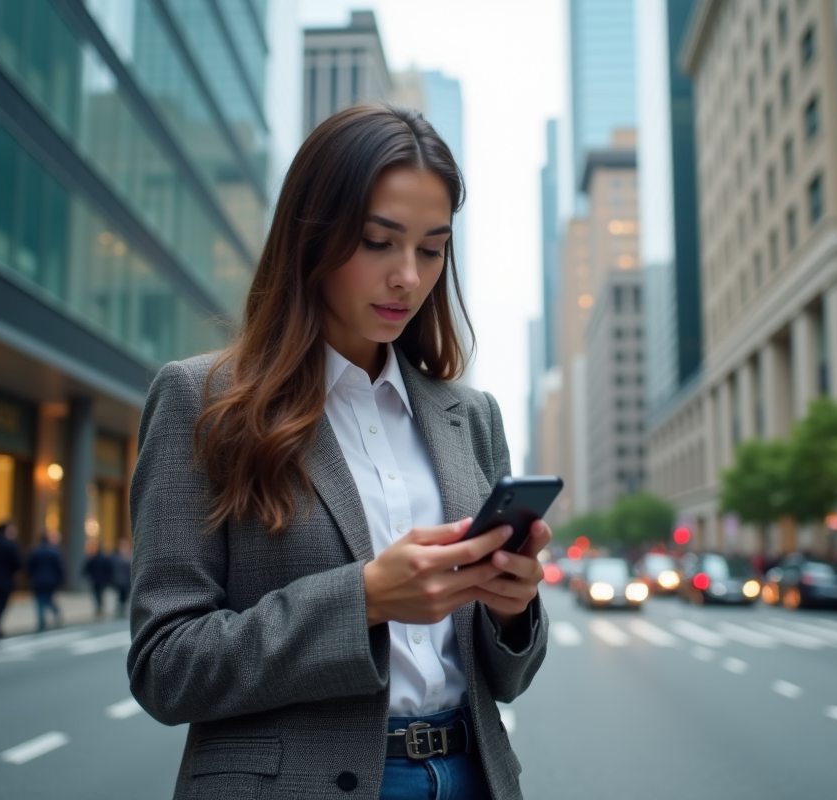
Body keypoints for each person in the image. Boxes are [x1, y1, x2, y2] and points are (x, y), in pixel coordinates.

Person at [127, 104, 550, 800]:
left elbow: (509, 678)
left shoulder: (470, 417)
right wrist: (364, 600)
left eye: (431, 248)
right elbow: (166, 666)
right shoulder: (201, 401)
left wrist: (512, 609)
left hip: (471, 776)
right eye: (378, 241)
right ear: (312, 237)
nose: (409, 278)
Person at [27, 530, 65, 632]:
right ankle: (55, 613)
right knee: (48, 599)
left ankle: (41, 621)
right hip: (51, 580)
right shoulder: (54, 552)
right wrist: (61, 580)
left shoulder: (34, 551)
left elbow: (29, 567)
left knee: (40, 600)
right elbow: (59, 567)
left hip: (37, 580)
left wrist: (30, 577)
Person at [82, 542, 114, 619]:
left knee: (96, 594)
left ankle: (99, 607)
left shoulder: (93, 558)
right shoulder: (105, 559)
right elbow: (109, 570)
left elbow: (86, 568)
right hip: (103, 580)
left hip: (95, 580)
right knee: (100, 594)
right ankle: (100, 607)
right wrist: (109, 579)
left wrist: (84, 575)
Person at [112, 539, 132, 619]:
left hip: (127, 580)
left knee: (125, 595)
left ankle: (122, 607)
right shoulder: (116, 557)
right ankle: (120, 607)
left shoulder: (130, 556)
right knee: (119, 594)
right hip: (119, 580)